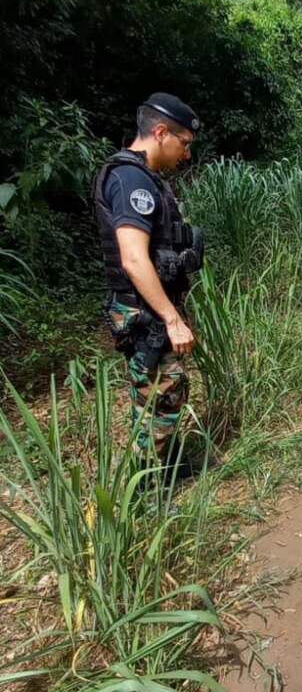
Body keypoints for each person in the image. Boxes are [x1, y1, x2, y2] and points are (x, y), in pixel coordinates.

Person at [92, 92, 204, 468]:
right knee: (156, 398)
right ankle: (147, 492)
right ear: (160, 132)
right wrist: (171, 319)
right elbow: (134, 258)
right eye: (183, 143)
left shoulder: (148, 179)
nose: (186, 154)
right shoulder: (130, 181)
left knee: (168, 393)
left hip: (154, 308)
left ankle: (166, 467)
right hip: (145, 315)